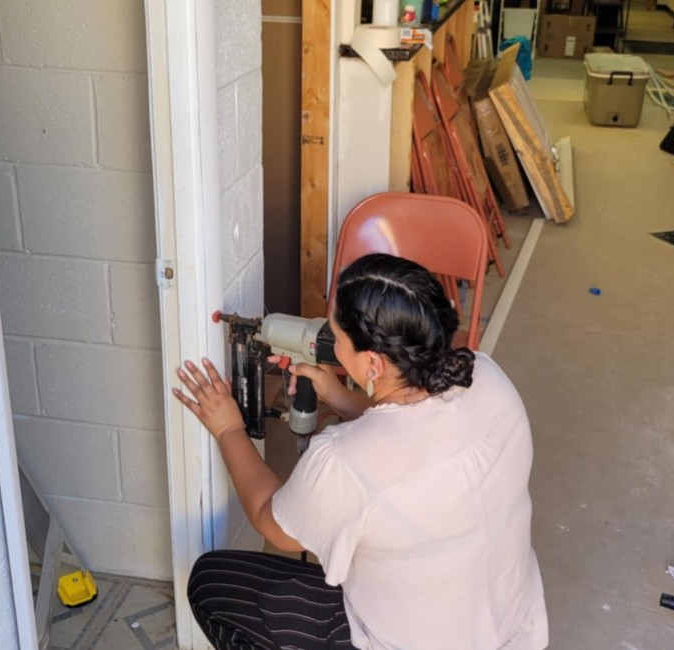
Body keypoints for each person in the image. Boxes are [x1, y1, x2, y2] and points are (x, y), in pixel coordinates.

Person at [173, 253, 548, 650]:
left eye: (336, 335)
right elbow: (421, 427)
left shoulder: (344, 459)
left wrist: (228, 427)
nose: (329, 341)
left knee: (211, 581)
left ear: (372, 362)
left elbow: (271, 521)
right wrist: (340, 396)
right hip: (509, 630)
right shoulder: (487, 375)